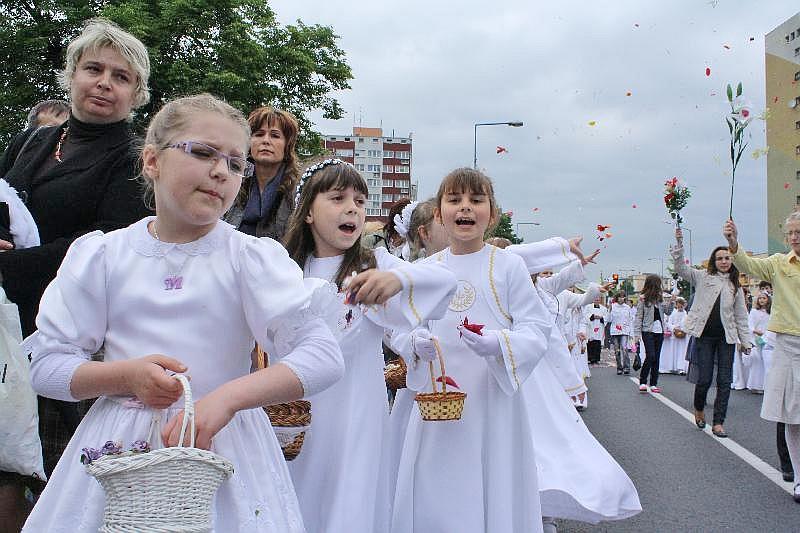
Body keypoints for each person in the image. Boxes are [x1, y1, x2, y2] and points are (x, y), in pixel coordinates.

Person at [20, 94, 346, 532]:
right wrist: (123, 376)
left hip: (220, 448)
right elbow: (46, 365)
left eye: (236, 163)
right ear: (152, 161)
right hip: (119, 453)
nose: (221, 171)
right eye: (204, 153)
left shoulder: (247, 257)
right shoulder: (105, 255)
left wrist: (227, 399)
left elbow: (323, 356)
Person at [0, 18, 153, 527]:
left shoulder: (133, 160)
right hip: (8, 325)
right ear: (72, 75)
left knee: (61, 479)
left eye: (120, 76)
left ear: (137, 93)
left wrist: (8, 266)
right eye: (94, 69)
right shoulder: (34, 141)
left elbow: (104, 243)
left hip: (72, 335)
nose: (104, 83)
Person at [282, 159, 456, 533]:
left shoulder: (373, 264)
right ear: (308, 211)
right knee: (294, 497)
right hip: (295, 413)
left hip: (356, 411)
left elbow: (444, 280)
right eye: (338, 198)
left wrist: (398, 279)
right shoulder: (285, 268)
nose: (353, 209)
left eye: (360, 201)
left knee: (350, 500)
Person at [391, 168, 552, 533]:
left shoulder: (508, 266)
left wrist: (499, 343)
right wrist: (414, 343)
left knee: (491, 480)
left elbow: (537, 327)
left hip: (491, 399)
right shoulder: (425, 269)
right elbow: (401, 326)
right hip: (437, 402)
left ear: (491, 215)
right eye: (454, 200)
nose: (465, 207)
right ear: (439, 214)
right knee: (434, 486)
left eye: (476, 200)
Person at [724, 214, 800, 502]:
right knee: (792, 415)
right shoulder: (779, 263)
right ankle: (799, 477)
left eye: (799, 231)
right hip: (787, 344)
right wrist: (733, 242)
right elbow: (748, 265)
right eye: (791, 232)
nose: (795, 237)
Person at [672, 227, 752, 438]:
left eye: (727, 258)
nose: (724, 261)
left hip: (727, 338)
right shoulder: (702, 276)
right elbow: (680, 268)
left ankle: (718, 423)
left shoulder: (735, 285)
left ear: (732, 260)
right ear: (713, 261)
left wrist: (746, 341)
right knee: (705, 378)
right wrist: (679, 243)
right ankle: (699, 408)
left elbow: (741, 316)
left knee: (725, 381)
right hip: (705, 336)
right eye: (720, 258)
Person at [223, 106, 300, 241]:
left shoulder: (300, 189)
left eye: (275, 135)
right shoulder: (231, 180)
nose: (266, 141)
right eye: (259, 134)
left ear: (287, 145)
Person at [633, 274, 666, 393]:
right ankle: (642, 381)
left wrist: (672, 301)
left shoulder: (660, 299)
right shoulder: (643, 299)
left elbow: (668, 311)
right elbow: (639, 317)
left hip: (660, 331)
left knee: (656, 357)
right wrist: (637, 334)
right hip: (648, 331)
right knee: (650, 355)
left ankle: (653, 383)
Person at [746, 292, 771, 393]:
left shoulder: (771, 313)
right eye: (760, 298)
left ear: (768, 300)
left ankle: (765, 386)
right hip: (756, 339)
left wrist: (766, 335)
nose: (761, 300)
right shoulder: (753, 312)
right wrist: (756, 332)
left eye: (764, 298)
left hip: (768, 339)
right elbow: (750, 325)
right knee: (757, 363)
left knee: (766, 364)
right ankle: (755, 386)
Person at [659, 296, 689, 375]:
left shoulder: (685, 314)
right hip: (674, 336)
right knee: (673, 352)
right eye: (678, 304)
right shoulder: (673, 313)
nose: (680, 306)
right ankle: (673, 367)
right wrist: (674, 328)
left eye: (681, 305)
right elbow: (668, 323)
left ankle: (681, 368)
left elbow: (687, 324)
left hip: (682, 337)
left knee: (682, 352)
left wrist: (682, 329)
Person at [609, 293, 633, 375]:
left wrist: (631, 332)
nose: (621, 298)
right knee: (617, 350)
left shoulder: (627, 307)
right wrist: (609, 310)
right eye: (620, 297)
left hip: (624, 331)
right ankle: (619, 367)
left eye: (623, 297)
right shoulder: (613, 306)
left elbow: (630, 320)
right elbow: (609, 320)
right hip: (615, 331)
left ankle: (626, 367)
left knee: (624, 348)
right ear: (617, 298)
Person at [584, 296, 608, 365]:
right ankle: (590, 358)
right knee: (590, 342)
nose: (597, 300)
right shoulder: (588, 307)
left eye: (598, 299)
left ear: (600, 300)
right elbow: (585, 315)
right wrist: (592, 316)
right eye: (595, 299)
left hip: (599, 326)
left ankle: (596, 358)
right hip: (591, 326)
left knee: (597, 342)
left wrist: (601, 317)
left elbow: (606, 317)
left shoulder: (604, 308)